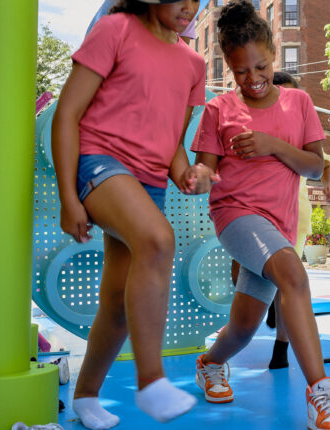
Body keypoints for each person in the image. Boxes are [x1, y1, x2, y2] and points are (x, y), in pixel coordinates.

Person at [52, 1, 216, 428]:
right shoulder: (116, 29)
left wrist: (187, 173)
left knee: (119, 304)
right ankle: (152, 380)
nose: (189, 6)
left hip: (149, 184)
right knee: (158, 240)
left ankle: (85, 396)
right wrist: (69, 196)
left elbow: (172, 142)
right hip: (99, 162)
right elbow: (67, 113)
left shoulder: (193, 63)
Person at [190, 2, 330, 429]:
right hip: (235, 215)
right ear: (228, 66)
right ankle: (322, 395)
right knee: (295, 276)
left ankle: (209, 363)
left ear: (273, 55)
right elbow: (207, 167)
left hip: (278, 225)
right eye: (241, 71)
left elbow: (316, 166)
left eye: (260, 67)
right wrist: (197, 176)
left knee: (244, 327)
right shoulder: (218, 109)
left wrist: (273, 145)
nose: (253, 79)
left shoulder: (299, 103)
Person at [231, 71, 330, 370]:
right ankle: (249, 319)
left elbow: (323, 165)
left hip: (293, 214)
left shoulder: (302, 130)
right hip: (251, 214)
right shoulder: (251, 128)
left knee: (288, 281)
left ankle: (282, 347)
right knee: (246, 272)